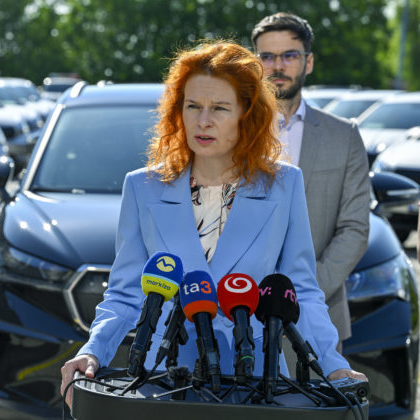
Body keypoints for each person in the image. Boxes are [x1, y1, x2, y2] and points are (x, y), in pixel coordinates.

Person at [60, 40, 366, 407]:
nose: (203, 121)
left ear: (246, 114)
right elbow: (126, 294)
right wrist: (93, 353)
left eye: (219, 108)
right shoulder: (141, 187)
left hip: (258, 381)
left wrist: (332, 365)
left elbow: (298, 290)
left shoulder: (285, 185)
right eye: (193, 106)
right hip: (167, 379)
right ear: (179, 111)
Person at [251, 13, 370, 350]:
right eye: (267, 56)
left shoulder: (343, 135)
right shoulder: (231, 130)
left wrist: (301, 290)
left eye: (289, 55)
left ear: (309, 62)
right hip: (236, 317)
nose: (278, 66)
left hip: (318, 320)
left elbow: (355, 228)